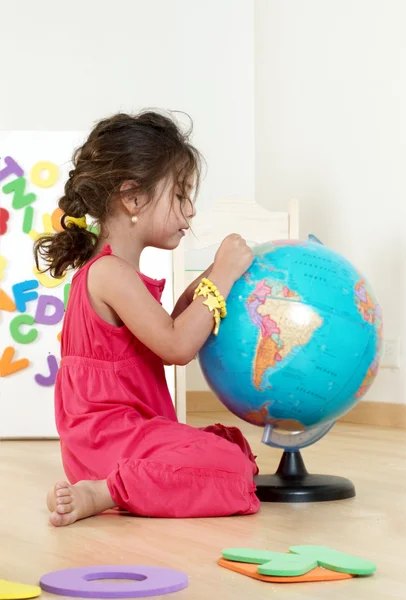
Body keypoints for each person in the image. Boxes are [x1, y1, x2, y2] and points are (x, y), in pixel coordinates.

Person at [34, 111, 260, 526]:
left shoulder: (115, 272)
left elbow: (163, 330)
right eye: (179, 195)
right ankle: (104, 491)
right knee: (230, 467)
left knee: (232, 454)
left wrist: (212, 275)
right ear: (133, 197)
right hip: (110, 444)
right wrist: (223, 276)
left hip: (120, 439)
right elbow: (176, 345)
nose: (190, 211)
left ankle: (120, 485)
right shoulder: (109, 273)